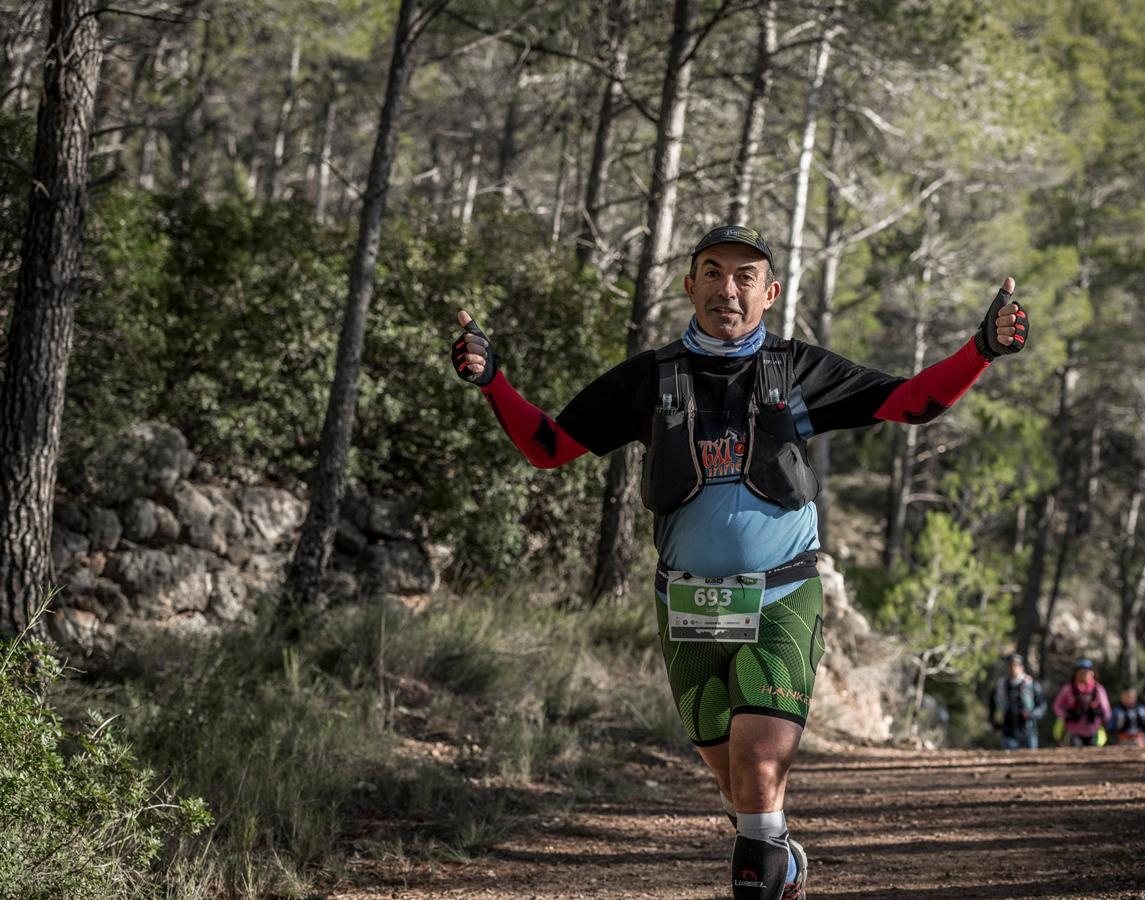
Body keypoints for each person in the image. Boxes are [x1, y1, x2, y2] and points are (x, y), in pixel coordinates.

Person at [451, 224, 1030, 899]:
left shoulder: (796, 369)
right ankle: (773, 846)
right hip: (686, 606)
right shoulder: (651, 377)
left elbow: (908, 403)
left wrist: (980, 350)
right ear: (689, 284)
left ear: (770, 292)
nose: (728, 288)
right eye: (713, 272)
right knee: (737, 783)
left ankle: (762, 867)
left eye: (745, 276)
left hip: (782, 596)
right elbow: (549, 447)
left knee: (757, 764)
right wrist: (493, 381)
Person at [987, 653, 1046, 750]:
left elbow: (1042, 706)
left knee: (1030, 761)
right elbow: (992, 705)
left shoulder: (1031, 685)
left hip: (1028, 730)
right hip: (1008, 731)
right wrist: (993, 721)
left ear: (1021, 667)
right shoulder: (1001, 686)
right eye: (1009, 666)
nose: (1012, 669)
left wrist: (1031, 714)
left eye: (1015, 665)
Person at [1051, 658, 1110, 748]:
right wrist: (1064, 715)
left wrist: (1102, 717)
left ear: (1092, 674)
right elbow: (1057, 706)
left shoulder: (1098, 689)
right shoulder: (1068, 689)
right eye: (1081, 672)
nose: (1083, 675)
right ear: (1075, 674)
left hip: (1093, 730)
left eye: (1086, 672)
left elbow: (1106, 709)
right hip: (1073, 730)